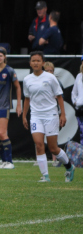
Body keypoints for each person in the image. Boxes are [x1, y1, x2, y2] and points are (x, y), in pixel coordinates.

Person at [21, 51, 75, 183]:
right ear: (30, 63)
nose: (36, 63)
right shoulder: (27, 79)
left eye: (38, 61)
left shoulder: (50, 78)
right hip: (35, 116)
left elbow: (59, 97)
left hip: (51, 115)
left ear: (43, 63)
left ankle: (69, 166)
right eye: (33, 60)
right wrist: (24, 115)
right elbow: (27, 99)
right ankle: (45, 176)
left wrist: (63, 114)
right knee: (39, 144)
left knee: (53, 148)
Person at [44, 61, 65, 167]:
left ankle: (55, 159)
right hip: (40, 113)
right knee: (38, 136)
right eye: (46, 70)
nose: (49, 72)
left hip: (53, 113)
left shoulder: (57, 82)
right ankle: (39, 158)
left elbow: (61, 98)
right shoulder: (38, 81)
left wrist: (62, 114)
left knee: (53, 137)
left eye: (51, 71)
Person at [72, 56, 83, 144]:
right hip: (80, 110)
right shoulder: (79, 76)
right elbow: (74, 93)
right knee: (82, 133)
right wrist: (76, 102)